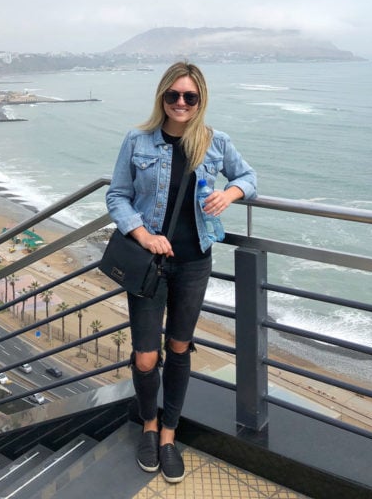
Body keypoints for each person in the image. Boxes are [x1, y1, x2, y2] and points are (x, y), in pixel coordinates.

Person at [105, 62, 257, 484]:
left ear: (200, 100)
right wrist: (141, 232)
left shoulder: (214, 142)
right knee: (146, 353)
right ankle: (148, 426)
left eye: (189, 97)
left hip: (194, 263)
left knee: (178, 348)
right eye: (173, 95)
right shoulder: (137, 140)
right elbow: (116, 195)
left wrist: (230, 191)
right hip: (149, 263)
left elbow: (250, 176)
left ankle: (169, 434)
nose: (181, 103)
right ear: (162, 98)